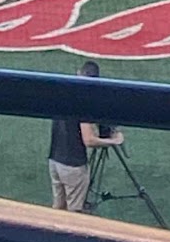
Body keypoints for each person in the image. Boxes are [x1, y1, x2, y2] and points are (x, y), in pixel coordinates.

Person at [48, 59, 123, 213]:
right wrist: (113, 141)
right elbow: (88, 140)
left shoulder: (63, 94)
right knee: (75, 213)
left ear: (79, 73)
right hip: (73, 166)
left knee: (58, 209)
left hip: (55, 161)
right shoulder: (83, 103)